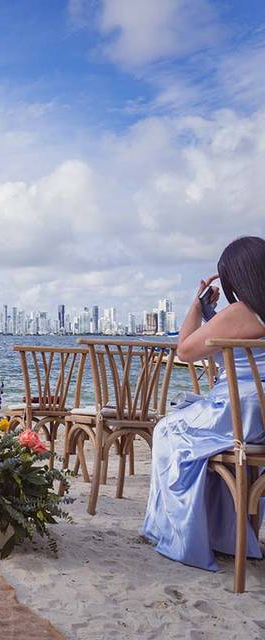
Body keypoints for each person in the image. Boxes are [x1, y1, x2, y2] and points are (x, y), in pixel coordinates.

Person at [143, 236, 265, 570]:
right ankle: (221, 532)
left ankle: (183, 533)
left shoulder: (242, 312)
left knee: (168, 430)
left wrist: (197, 306)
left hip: (243, 411)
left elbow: (184, 350)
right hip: (260, 415)